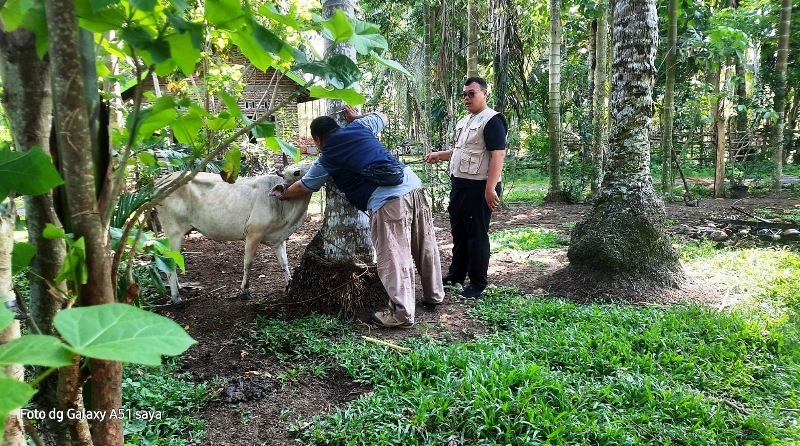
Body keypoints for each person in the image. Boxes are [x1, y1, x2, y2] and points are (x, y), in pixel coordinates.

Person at [276, 106, 445, 328]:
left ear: (318, 140)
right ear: (339, 127)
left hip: (389, 201)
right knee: (425, 245)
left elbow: (305, 186)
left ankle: (402, 315)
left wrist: (283, 193)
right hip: (413, 185)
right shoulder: (361, 126)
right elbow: (382, 115)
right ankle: (434, 295)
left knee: (394, 258)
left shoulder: (328, 157)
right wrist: (358, 116)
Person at [424, 76, 507, 299]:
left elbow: (498, 155)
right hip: (460, 184)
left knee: (476, 235)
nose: (467, 98)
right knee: (459, 232)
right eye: (464, 94)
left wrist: (490, 189)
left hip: (479, 188)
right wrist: (441, 155)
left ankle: (478, 283)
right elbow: (463, 151)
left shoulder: (492, 120)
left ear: (484, 94)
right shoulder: (468, 120)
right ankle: (457, 274)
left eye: (472, 93)